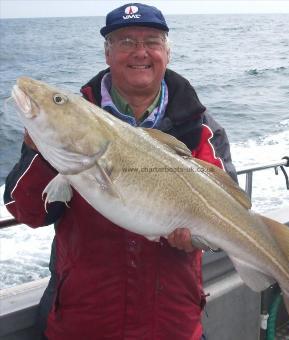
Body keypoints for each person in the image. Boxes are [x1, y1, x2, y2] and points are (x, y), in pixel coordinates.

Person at [4, 3, 237, 339]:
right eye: (125, 41)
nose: (140, 52)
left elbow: (228, 205)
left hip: (171, 322)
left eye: (152, 41)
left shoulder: (200, 130)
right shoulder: (67, 124)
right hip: (83, 320)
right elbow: (27, 212)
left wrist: (200, 239)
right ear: (107, 53)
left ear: (166, 53)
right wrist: (41, 155)